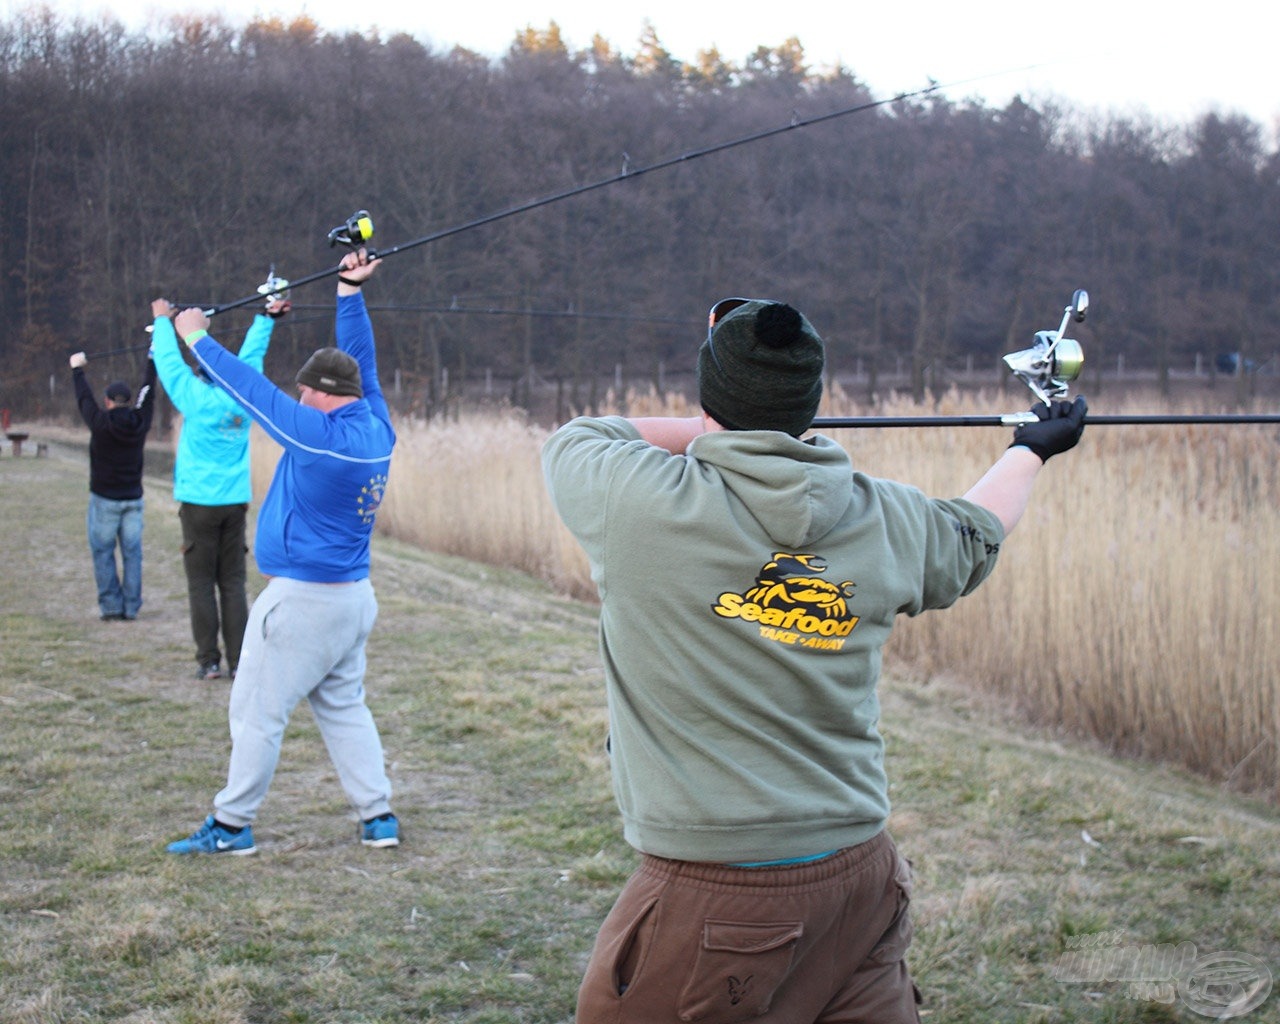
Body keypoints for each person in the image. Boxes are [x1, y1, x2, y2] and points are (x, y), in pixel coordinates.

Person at [541, 297, 1088, 1023]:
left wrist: (719, 426)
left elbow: (587, 435)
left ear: (710, 399)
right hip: (859, 874)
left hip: (717, 890)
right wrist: (1031, 448)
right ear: (811, 403)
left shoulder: (635, 498)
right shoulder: (886, 515)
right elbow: (973, 532)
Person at [165, 248, 400, 855]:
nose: (294, 395)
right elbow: (363, 366)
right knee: (345, 708)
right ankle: (378, 817)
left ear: (320, 396)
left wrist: (195, 340)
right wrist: (350, 294)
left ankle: (232, 825)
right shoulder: (374, 423)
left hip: (302, 603)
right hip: (351, 599)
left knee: (254, 714)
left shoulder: (318, 438)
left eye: (302, 389)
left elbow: (250, 392)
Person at [149, 294, 290, 681]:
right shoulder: (242, 398)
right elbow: (251, 360)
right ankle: (240, 663)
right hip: (234, 503)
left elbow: (169, 365)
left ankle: (208, 661)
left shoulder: (196, 400)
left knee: (200, 585)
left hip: (198, 505)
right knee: (233, 584)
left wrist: (163, 322)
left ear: (203, 375)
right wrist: (265, 319)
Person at [70, 350, 158, 621]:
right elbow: (148, 391)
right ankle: (131, 607)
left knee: (103, 553)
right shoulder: (140, 421)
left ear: (107, 402)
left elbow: (84, 398)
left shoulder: (99, 422)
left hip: (104, 499)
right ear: (129, 402)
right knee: (133, 555)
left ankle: (111, 607)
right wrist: (152, 360)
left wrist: (77, 370)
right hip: (133, 499)